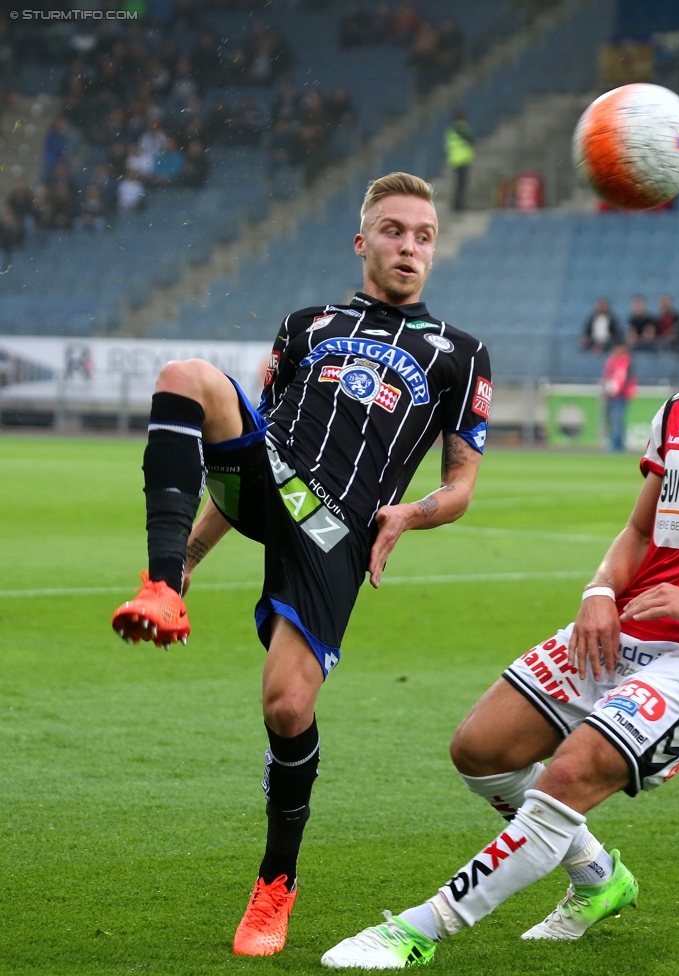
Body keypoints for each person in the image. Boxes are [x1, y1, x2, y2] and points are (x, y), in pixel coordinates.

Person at [321, 237, 679, 968]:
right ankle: (598, 877)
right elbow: (641, 528)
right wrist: (600, 590)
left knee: (571, 773)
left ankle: (418, 929)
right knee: (480, 752)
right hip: (629, 626)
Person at [109, 172, 491, 958]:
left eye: (422, 236)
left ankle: (276, 879)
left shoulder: (461, 353)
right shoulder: (305, 325)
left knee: (287, 708)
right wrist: (186, 563)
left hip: (338, 530)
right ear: (363, 242)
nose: (408, 247)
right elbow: (264, 436)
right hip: (272, 474)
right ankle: (157, 584)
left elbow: (459, 488)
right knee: (187, 378)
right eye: (393, 230)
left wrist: (408, 515)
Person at [602, 343, 637, 452]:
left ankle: (617, 445)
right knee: (613, 420)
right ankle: (615, 442)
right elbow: (607, 375)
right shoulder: (612, 360)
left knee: (617, 419)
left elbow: (628, 378)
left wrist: (627, 391)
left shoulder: (627, 361)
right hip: (611, 394)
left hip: (621, 395)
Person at [444, 110, 475, 212]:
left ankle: (456, 206)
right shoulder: (462, 128)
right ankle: (459, 206)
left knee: (457, 185)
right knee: (461, 185)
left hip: (454, 160)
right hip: (463, 159)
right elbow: (471, 139)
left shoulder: (450, 130)